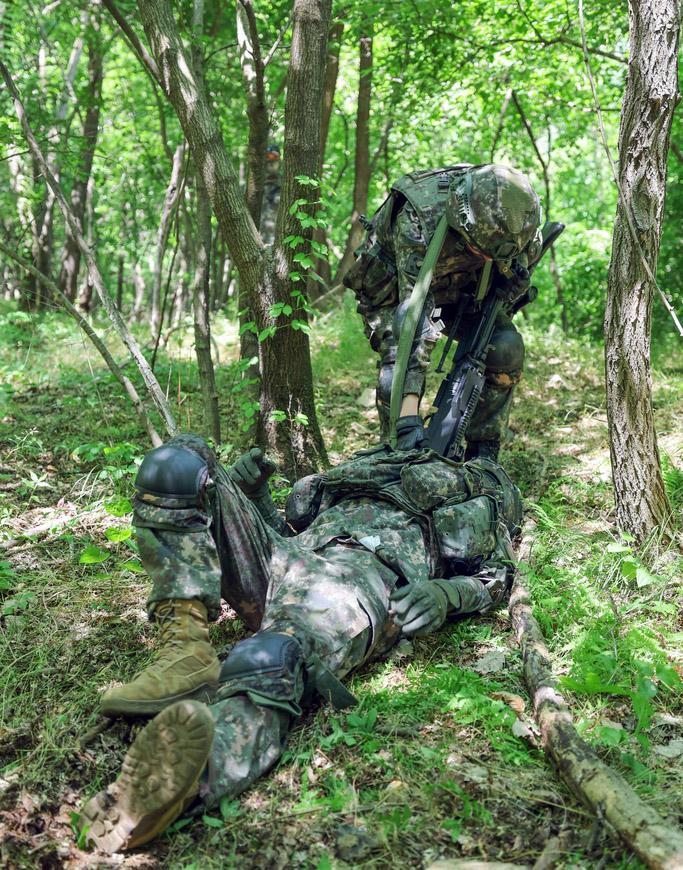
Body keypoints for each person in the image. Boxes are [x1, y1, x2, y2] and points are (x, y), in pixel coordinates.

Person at [78, 435, 522, 852]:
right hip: (291, 558)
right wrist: (255, 497)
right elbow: (289, 528)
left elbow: (494, 578)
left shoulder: (477, 491)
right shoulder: (369, 462)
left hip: (361, 578)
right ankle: (186, 650)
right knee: (176, 464)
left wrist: (444, 594)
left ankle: (187, 779)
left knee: (270, 656)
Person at [343, 163, 544, 459]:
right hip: (395, 292)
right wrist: (409, 419)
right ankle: (396, 454)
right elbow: (412, 319)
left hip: (465, 289)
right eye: (480, 251)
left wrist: (512, 285)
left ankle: (483, 454)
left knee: (505, 348)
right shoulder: (418, 219)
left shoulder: (521, 225)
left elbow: (510, 287)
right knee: (395, 361)